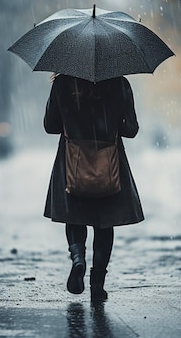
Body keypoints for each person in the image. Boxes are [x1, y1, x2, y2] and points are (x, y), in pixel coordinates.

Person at [43, 74, 144, 301]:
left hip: (72, 160)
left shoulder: (63, 83)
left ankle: (78, 256)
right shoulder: (119, 83)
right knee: (104, 223)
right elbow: (131, 129)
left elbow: (51, 126)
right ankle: (97, 284)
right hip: (108, 163)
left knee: (75, 216)